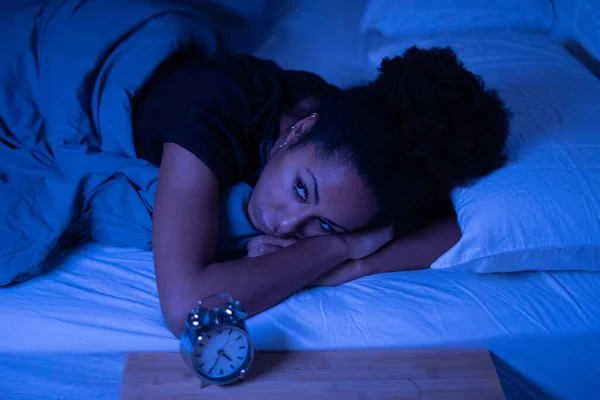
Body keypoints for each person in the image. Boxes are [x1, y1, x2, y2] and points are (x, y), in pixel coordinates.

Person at [132, 46, 511, 337]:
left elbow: (461, 226)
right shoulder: (214, 111)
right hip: (129, 63)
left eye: (326, 225)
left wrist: (356, 265)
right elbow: (185, 309)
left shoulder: (377, 164)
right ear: (297, 131)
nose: (283, 225)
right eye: (299, 189)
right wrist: (338, 247)